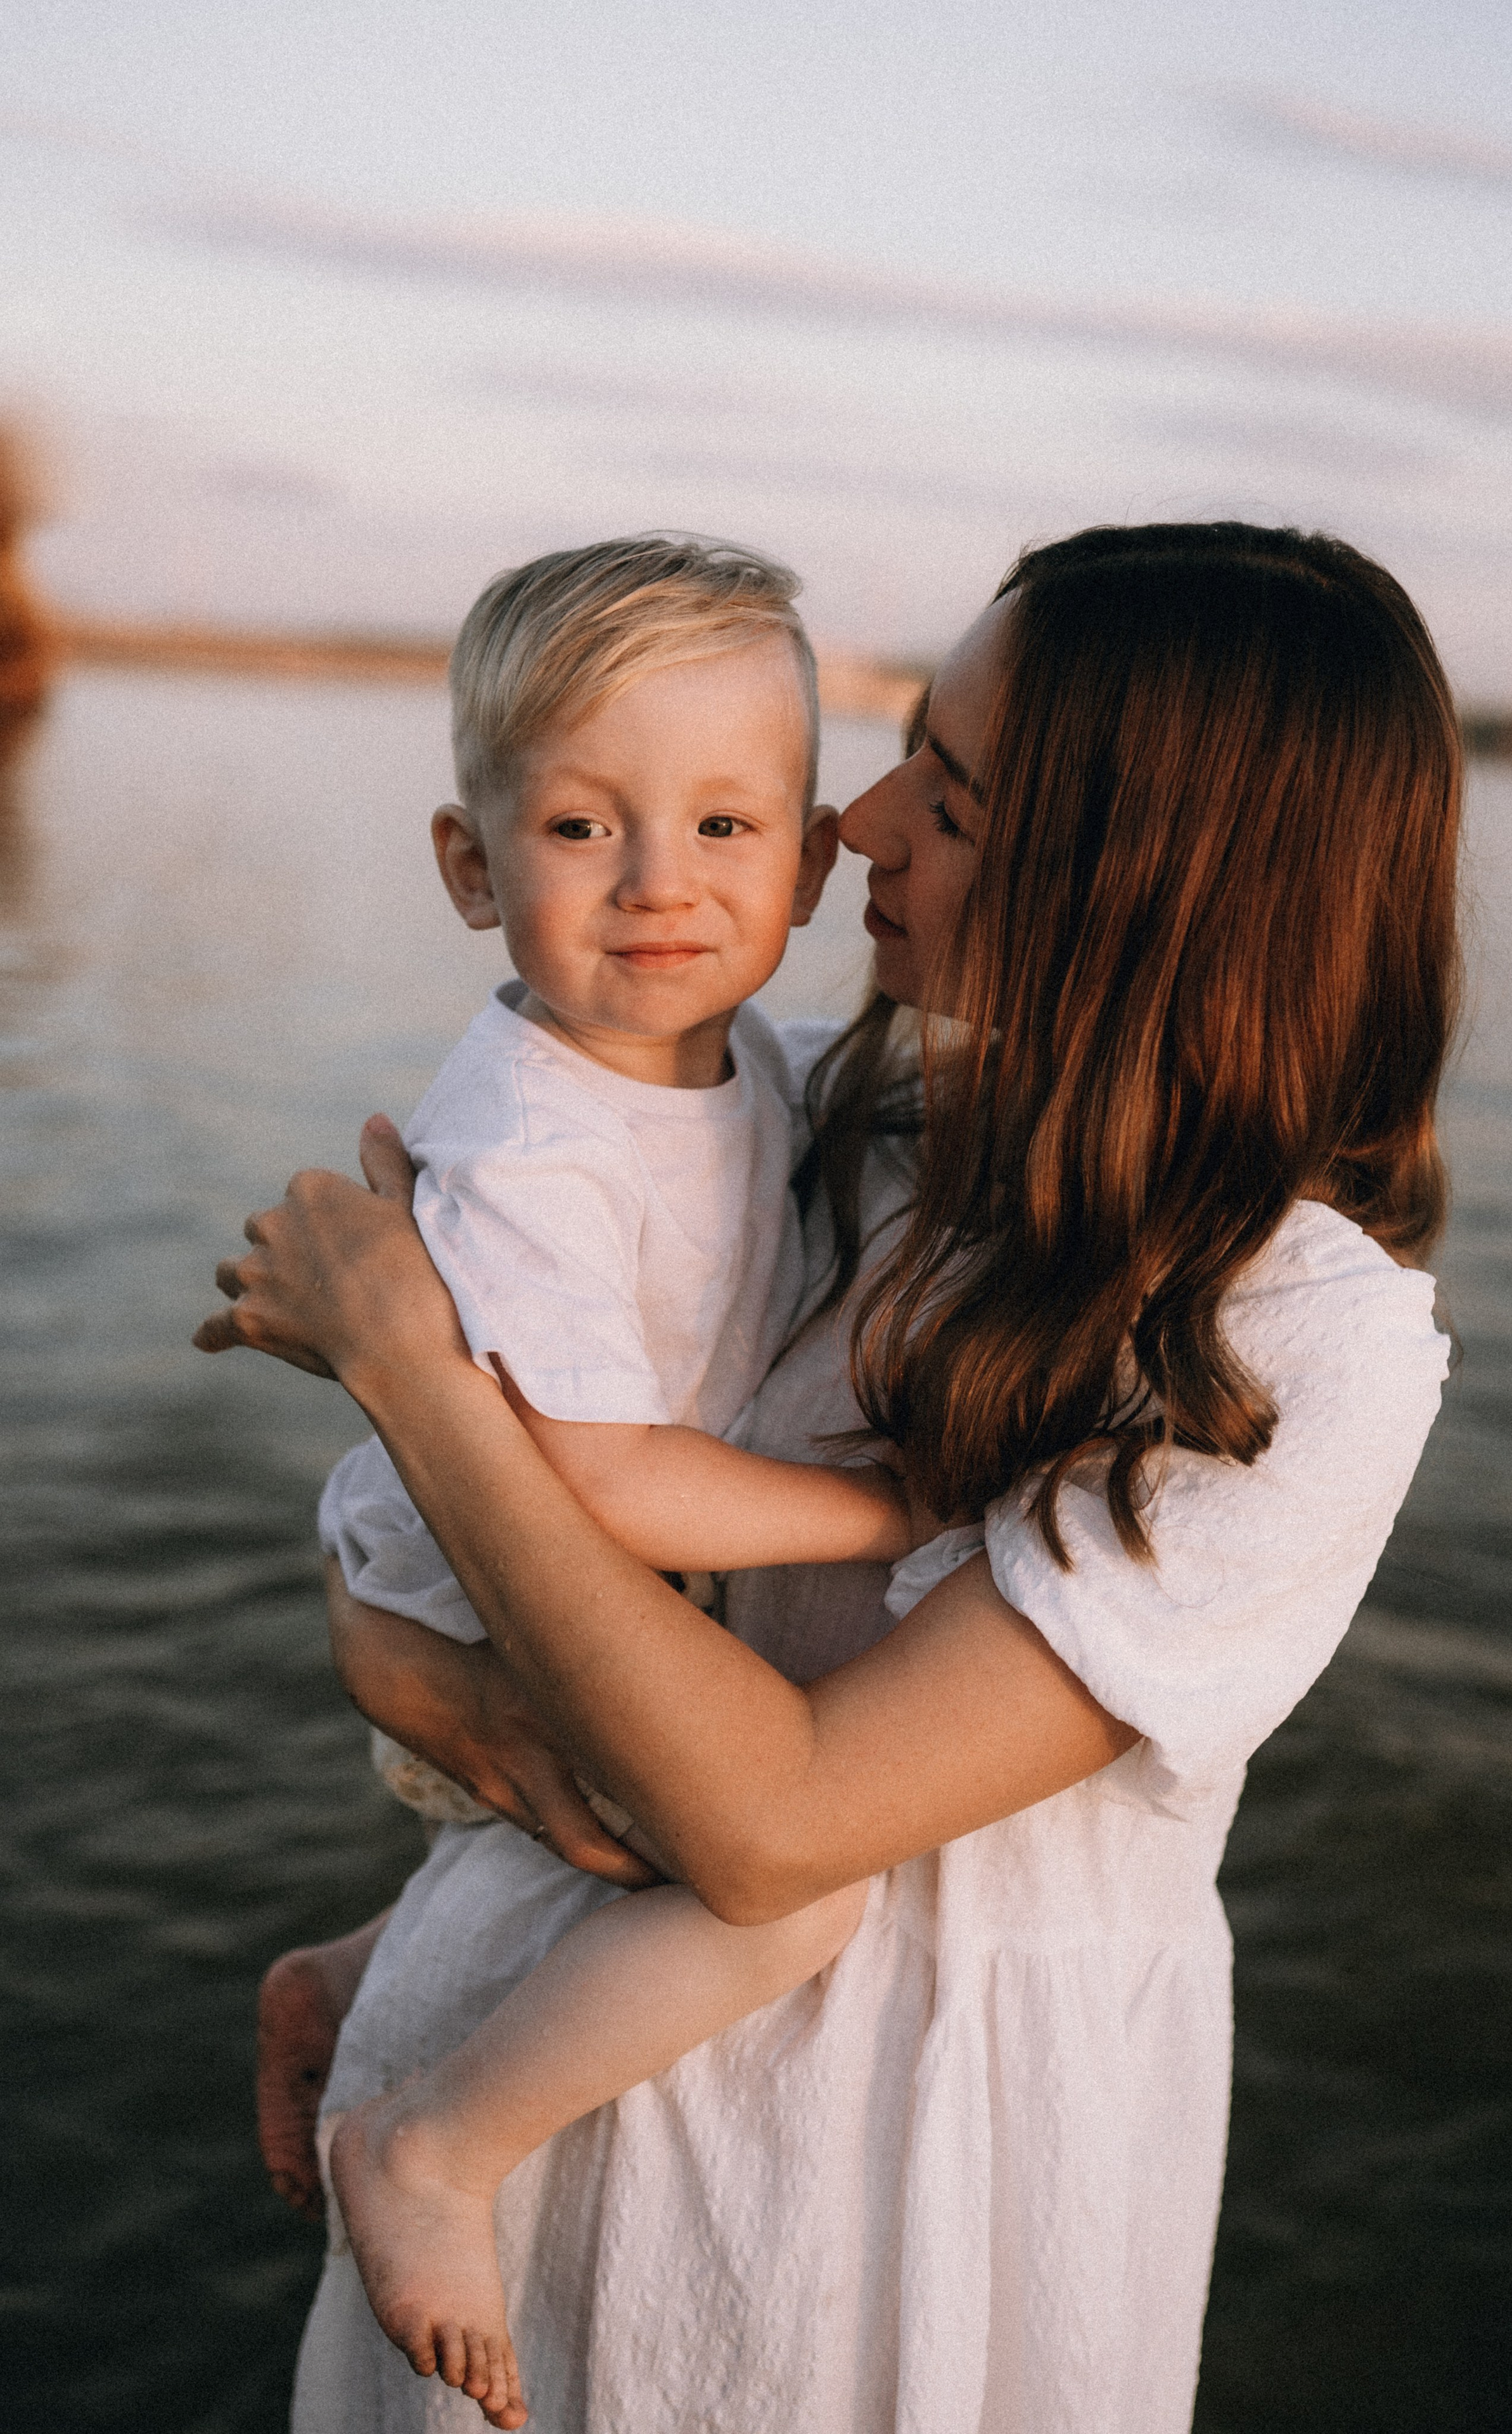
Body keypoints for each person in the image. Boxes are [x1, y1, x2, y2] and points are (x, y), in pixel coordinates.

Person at [199, 521, 1459, 2434]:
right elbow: (514, 1556)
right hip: (527, 2048)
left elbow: (780, 1821)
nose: (854, 823)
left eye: (949, 795)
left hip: (867, 2188)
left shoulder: (1295, 1340)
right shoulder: (841, 1109)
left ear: (1143, 886)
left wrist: (405, 1366)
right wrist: (406, 1798)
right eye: (901, 751)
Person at [310, 535, 940, 2425]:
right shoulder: (528, 1138)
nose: (665, 883)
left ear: (814, 862)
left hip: (548, 1587)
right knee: (795, 1896)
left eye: (727, 826)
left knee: (598, 1867)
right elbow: (598, 1480)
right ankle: (427, 2148)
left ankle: (338, 1975)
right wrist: (897, 1508)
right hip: (486, 1587)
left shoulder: (736, 1055)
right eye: (585, 830)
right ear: (469, 866)